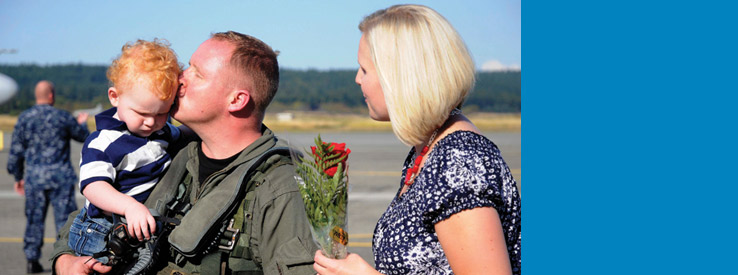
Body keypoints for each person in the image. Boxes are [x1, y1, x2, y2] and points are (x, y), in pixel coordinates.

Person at [52, 31, 319, 275]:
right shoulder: (170, 147)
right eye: (187, 66)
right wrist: (65, 261)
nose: (180, 77)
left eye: (197, 73)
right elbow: (94, 210)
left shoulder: (279, 185)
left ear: (236, 100)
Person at [313, 5, 521, 275]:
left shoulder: (457, 163)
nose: (357, 79)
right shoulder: (430, 148)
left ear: (398, 77)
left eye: (364, 69)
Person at [67, 39, 184, 264]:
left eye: (162, 113)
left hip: (136, 226)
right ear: (115, 97)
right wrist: (129, 206)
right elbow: (93, 187)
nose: (151, 122)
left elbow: (184, 134)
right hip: (102, 229)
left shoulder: (162, 131)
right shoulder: (103, 142)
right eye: (142, 112)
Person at [7, 80, 90, 273]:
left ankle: (31, 260)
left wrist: (18, 176)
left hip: (35, 179)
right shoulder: (62, 117)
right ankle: (64, 259)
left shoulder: (25, 118)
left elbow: (16, 153)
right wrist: (83, 123)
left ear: (37, 96)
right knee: (64, 222)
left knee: (34, 220)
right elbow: (83, 137)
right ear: (51, 95)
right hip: (60, 177)